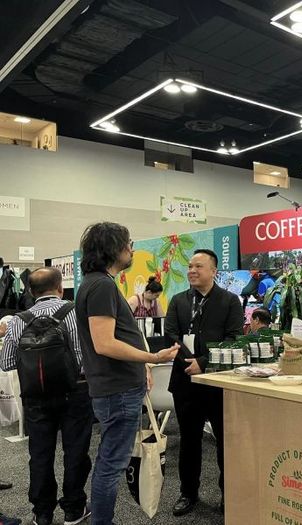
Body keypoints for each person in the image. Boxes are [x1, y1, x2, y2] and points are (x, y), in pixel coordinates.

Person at [75, 222, 179, 525]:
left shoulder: (97, 283)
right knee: (111, 464)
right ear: (113, 247)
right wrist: (152, 357)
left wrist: (142, 365)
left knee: (110, 461)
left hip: (117, 387)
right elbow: (105, 343)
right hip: (117, 390)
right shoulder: (102, 286)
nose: (132, 249)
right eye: (128, 243)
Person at [0, 268, 92, 525]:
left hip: (35, 397)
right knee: (76, 451)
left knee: (40, 454)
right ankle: (74, 509)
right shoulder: (76, 312)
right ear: (61, 288)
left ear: (30, 291)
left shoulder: (18, 320)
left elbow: (6, 363)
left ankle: (42, 513)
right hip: (75, 391)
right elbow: (88, 357)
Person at [165, 249, 244, 516]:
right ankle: (188, 493)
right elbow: (171, 335)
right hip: (185, 382)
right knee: (189, 441)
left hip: (217, 383)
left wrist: (204, 361)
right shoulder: (178, 300)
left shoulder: (230, 301)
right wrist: (190, 363)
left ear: (213, 271)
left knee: (224, 441)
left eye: (198, 266)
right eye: (190, 266)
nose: (192, 271)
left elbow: (234, 338)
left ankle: (228, 494)